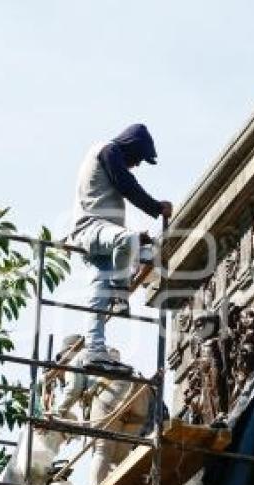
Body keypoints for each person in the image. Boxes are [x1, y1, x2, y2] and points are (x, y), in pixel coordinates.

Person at [69, 124, 172, 369]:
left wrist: (139, 239)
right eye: (138, 158)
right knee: (126, 241)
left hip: (102, 234)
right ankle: (120, 292)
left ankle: (95, 351)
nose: (136, 164)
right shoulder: (107, 150)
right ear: (132, 145)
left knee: (97, 298)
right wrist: (156, 208)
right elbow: (126, 183)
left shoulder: (109, 154)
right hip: (91, 229)